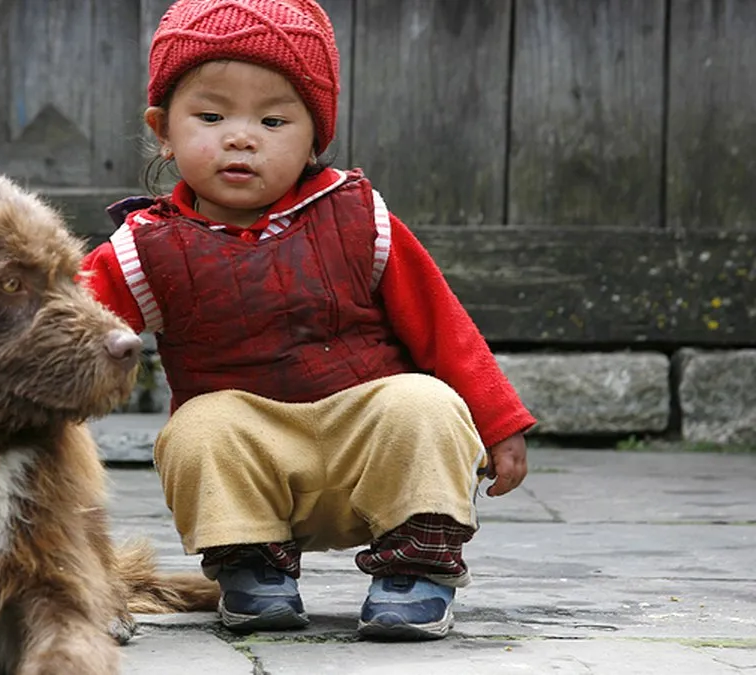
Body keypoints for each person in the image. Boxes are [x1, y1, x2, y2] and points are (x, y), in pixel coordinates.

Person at [79, 0, 536, 641]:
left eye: (273, 120)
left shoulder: (357, 215)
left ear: (314, 136)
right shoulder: (141, 247)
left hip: (369, 442)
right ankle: (252, 569)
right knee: (198, 427)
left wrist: (500, 421)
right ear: (163, 128)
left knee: (424, 402)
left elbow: (440, 323)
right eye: (210, 116)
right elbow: (69, 322)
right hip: (253, 456)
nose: (241, 137)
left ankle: (416, 571)